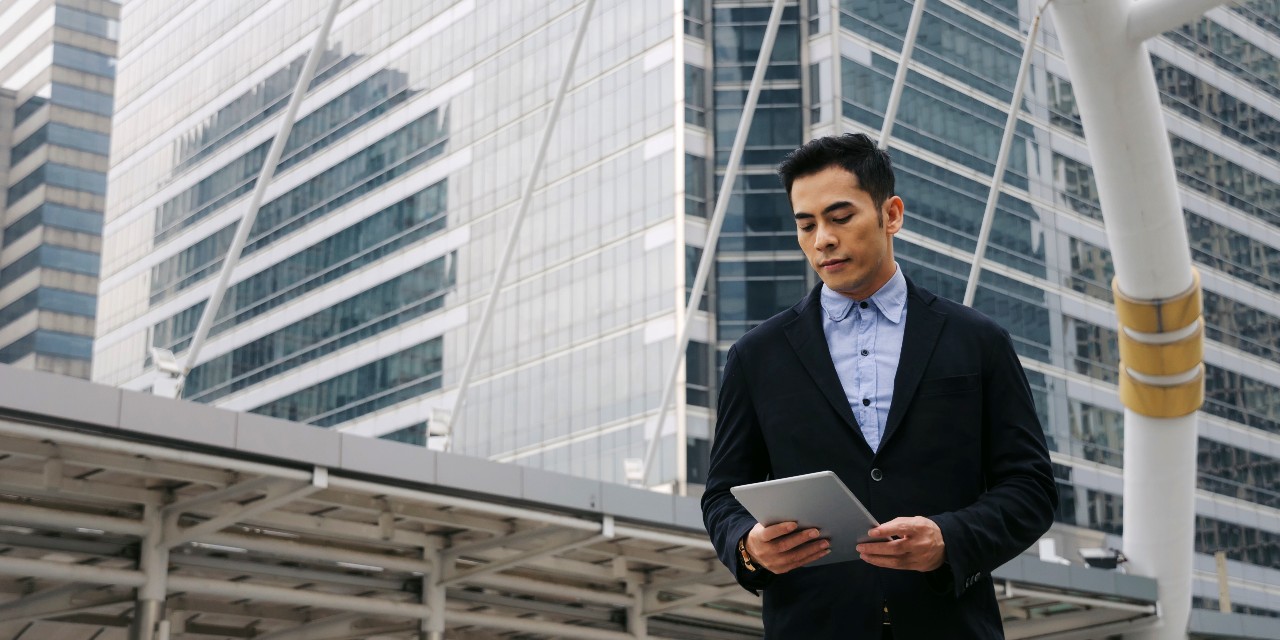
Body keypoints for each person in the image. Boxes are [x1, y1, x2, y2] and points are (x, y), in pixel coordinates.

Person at [701, 133, 1057, 639]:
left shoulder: (978, 341)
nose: (823, 239)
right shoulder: (756, 356)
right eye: (807, 225)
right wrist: (748, 546)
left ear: (891, 214)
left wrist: (949, 539)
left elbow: (1031, 487)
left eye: (840, 217)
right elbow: (722, 495)